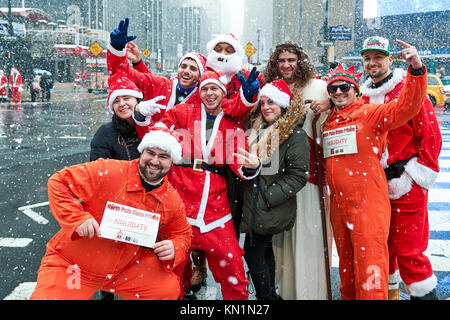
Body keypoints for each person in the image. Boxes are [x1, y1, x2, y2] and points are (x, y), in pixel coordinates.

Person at [139, 67, 262, 300]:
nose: (209, 93)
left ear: (223, 92)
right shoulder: (183, 112)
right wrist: (163, 137)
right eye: (205, 89)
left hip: (216, 214)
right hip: (180, 210)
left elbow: (240, 162)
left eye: (214, 88)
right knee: (168, 272)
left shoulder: (231, 124)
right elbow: (161, 129)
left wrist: (251, 166)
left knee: (233, 270)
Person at [30, 127, 193, 300]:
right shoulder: (109, 170)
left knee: (166, 290)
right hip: (74, 266)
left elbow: (182, 234)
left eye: (163, 156)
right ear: (141, 152)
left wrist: (175, 247)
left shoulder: (171, 199)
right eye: (150, 153)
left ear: (172, 161)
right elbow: (59, 182)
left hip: (125, 271)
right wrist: (77, 218)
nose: (154, 161)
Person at [323, 40, 427, 300]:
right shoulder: (328, 121)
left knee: (370, 268)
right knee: (347, 268)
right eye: (333, 88)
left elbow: (407, 108)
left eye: (344, 87)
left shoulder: (371, 114)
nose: (338, 92)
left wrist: (415, 69)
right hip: (339, 204)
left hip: (367, 202)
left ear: (356, 90)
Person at [359, 36, 442, 300]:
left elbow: (430, 135)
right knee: (382, 249)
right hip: (374, 186)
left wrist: (416, 176)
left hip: (407, 181)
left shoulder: (407, 89)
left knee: (410, 252)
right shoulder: (361, 96)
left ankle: (424, 295)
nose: (372, 63)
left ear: (389, 59)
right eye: (368, 58)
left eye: (378, 57)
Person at [263, 41, 332, 300]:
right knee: (281, 240)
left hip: (310, 174)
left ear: (300, 61)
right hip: (278, 175)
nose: (286, 65)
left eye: (291, 60)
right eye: (281, 61)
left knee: (310, 236)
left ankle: (311, 293)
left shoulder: (319, 87)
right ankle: (287, 292)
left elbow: (340, 113)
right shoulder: (270, 89)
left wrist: (329, 105)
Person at [239, 79, 310, 300]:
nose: (266, 107)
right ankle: (270, 295)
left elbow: (298, 176)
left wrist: (268, 197)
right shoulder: (257, 130)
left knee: (253, 252)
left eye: (272, 102)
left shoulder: (294, 135)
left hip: (268, 205)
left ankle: (266, 297)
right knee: (263, 249)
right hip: (254, 206)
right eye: (263, 102)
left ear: (283, 105)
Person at [90, 73, 142, 162]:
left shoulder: (152, 125)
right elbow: (99, 168)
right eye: (116, 101)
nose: (122, 104)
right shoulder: (105, 132)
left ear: (137, 100)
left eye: (126, 98)